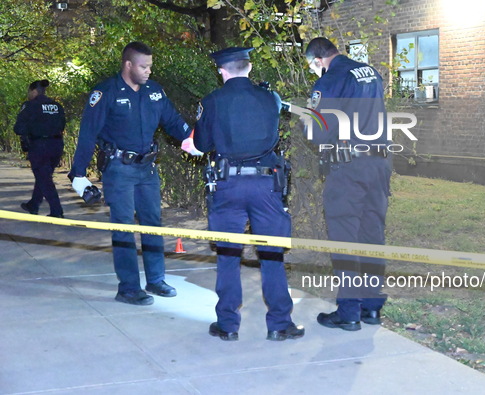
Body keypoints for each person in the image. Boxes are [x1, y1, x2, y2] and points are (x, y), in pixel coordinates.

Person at [69, 41, 197, 305]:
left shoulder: (154, 91)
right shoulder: (106, 92)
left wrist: (194, 140)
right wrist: (78, 175)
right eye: (144, 66)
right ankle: (128, 287)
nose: (149, 71)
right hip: (119, 170)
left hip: (147, 168)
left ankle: (155, 279)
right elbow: (88, 134)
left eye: (150, 66)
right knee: (123, 228)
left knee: (153, 223)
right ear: (128, 65)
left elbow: (174, 121)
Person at [194, 47, 304, 341]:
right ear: (249, 67)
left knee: (229, 255)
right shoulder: (271, 98)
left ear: (222, 70)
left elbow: (203, 144)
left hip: (228, 185)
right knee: (272, 255)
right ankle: (280, 324)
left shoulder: (212, 101)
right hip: (266, 184)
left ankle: (228, 325)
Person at [302, 37, 392, 331]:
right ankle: (372, 307)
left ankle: (349, 311)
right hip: (378, 164)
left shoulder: (331, 79)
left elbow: (317, 131)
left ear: (318, 59)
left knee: (344, 237)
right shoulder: (370, 72)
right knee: (372, 235)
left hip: (348, 167)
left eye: (312, 65)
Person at [14, 80, 66, 218]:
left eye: (29, 92)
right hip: (56, 145)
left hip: (39, 146)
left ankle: (57, 211)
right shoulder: (57, 106)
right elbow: (62, 125)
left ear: (34, 91)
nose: (28, 94)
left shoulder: (30, 106)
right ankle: (34, 204)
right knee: (43, 176)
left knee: (44, 178)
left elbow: (18, 128)